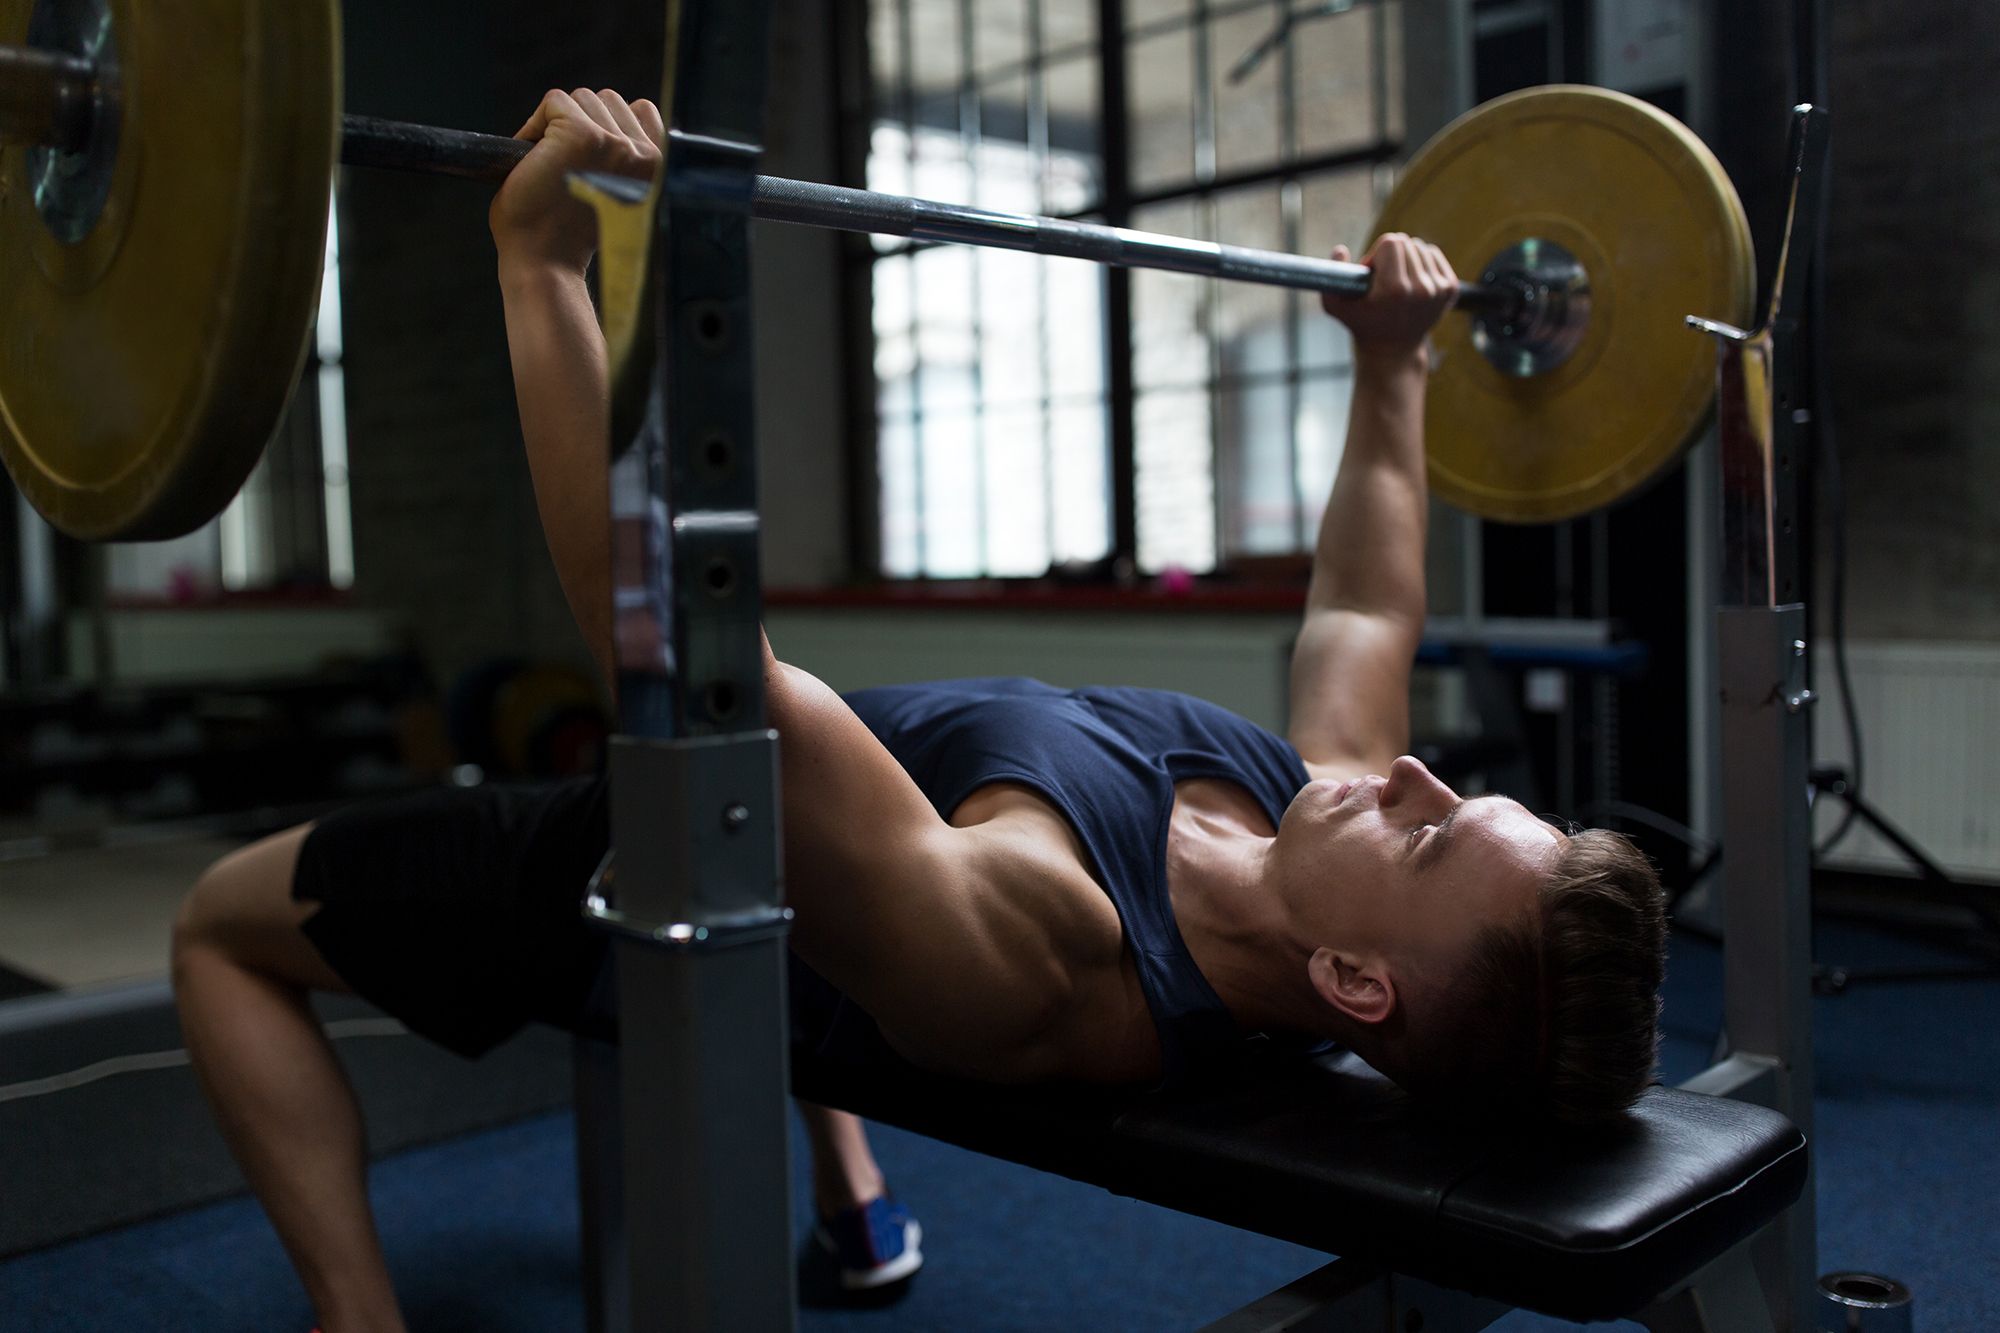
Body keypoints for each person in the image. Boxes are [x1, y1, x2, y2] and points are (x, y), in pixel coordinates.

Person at [171, 88, 1667, 1333]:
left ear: (1353, 984)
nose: (1408, 774)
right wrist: (1394, 364)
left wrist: (545, 271)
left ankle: (354, 1317)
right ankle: (846, 1173)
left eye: (1428, 835)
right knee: (852, 847)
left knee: (220, 929)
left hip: (632, 857)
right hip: (851, 840)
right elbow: (1357, 610)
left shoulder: (1042, 952)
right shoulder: (1312, 813)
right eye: (1451, 792)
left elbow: (698, 672)